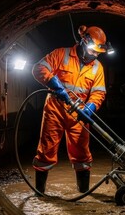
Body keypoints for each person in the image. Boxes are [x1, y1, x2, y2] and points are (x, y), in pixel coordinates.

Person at [31, 25, 111, 195]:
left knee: (81, 152)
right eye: (93, 50)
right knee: (46, 148)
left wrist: (91, 107)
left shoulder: (97, 67)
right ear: (84, 41)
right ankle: (40, 193)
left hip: (79, 113)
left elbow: (99, 92)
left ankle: (83, 193)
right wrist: (54, 84)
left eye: (98, 52)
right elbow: (38, 68)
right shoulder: (61, 54)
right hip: (55, 108)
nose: (95, 55)